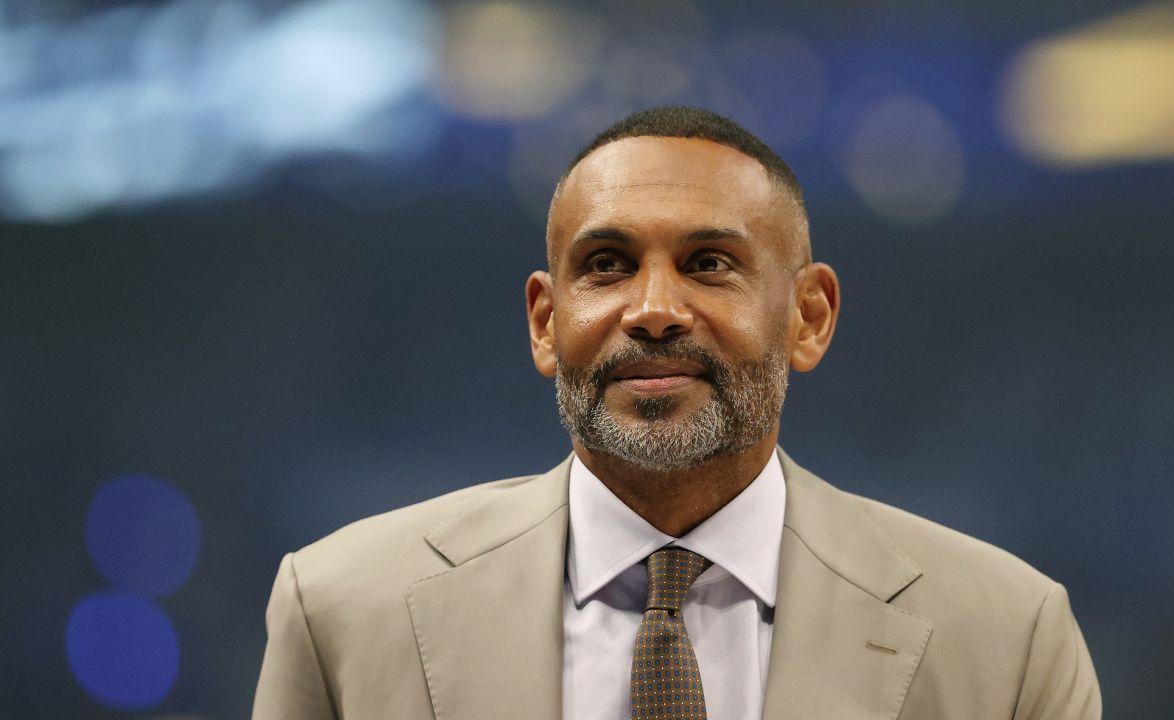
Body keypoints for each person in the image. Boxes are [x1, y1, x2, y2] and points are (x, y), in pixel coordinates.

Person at [252, 106, 1102, 720]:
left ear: (809, 316)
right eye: (609, 264)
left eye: (708, 263)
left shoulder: (1008, 635)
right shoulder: (339, 609)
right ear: (545, 324)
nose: (654, 308)